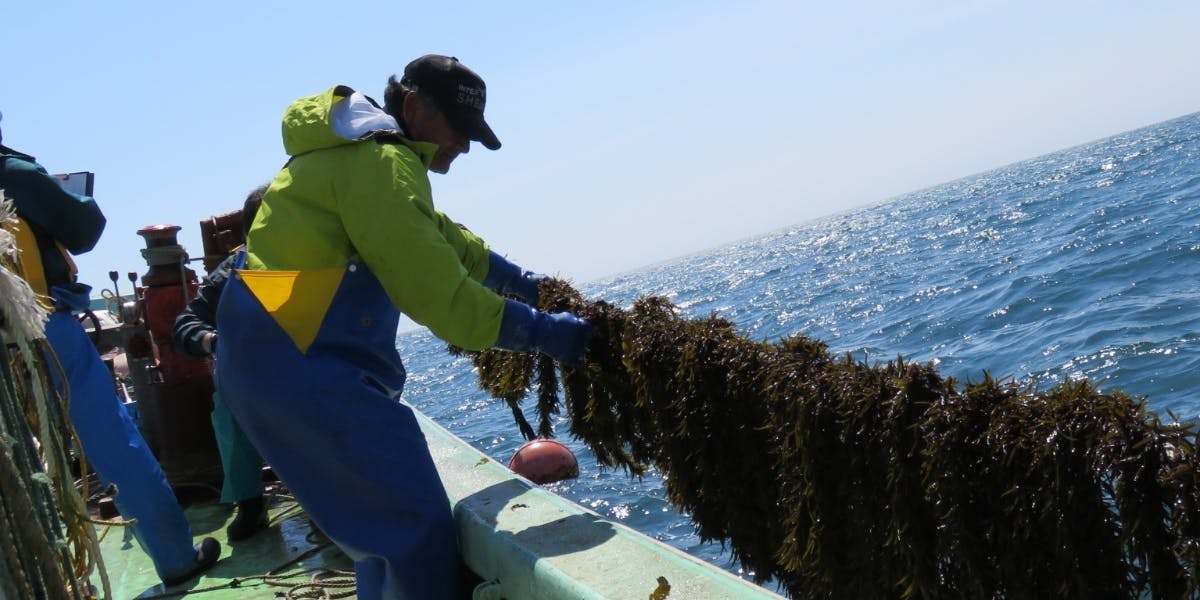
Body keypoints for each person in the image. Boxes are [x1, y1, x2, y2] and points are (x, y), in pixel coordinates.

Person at [213, 55, 591, 599]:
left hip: (272, 364)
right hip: (305, 371)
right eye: (459, 130)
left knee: (383, 535)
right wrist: (547, 332)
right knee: (413, 528)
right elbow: (441, 297)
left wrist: (519, 280)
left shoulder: (356, 157)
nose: (462, 145)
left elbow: (439, 235)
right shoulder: (381, 162)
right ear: (413, 106)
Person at [0, 112, 220, 586]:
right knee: (112, 443)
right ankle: (176, 556)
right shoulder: (11, 174)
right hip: (39, 331)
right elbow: (85, 226)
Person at [171, 184, 269, 541]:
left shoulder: (321, 257)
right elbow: (185, 324)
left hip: (312, 373)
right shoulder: (233, 269)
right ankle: (250, 501)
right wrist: (210, 340)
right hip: (259, 379)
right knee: (228, 402)